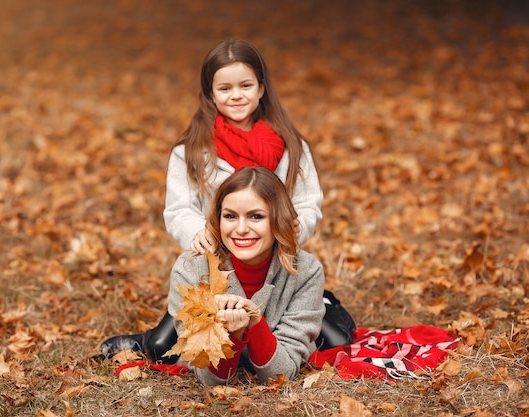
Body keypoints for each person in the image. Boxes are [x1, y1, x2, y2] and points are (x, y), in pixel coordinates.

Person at [100, 39, 354, 361]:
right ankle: (150, 337)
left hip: (275, 265)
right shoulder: (190, 150)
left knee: (336, 343)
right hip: (216, 270)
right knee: (165, 351)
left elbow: (307, 204)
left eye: (245, 85)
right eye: (225, 88)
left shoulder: (291, 145)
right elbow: (178, 209)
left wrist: (285, 235)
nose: (236, 95)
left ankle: (319, 301)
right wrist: (199, 232)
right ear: (210, 94)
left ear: (261, 88)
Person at [168, 167, 341, 384]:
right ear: (218, 218)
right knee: (158, 344)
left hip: (293, 316)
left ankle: (328, 306)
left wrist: (255, 320)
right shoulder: (190, 269)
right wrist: (232, 333)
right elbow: (209, 380)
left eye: (256, 216)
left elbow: (282, 373)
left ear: (278, 219)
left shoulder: (306, 271)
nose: (241, 229)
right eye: (230, 216)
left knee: (338, 337)